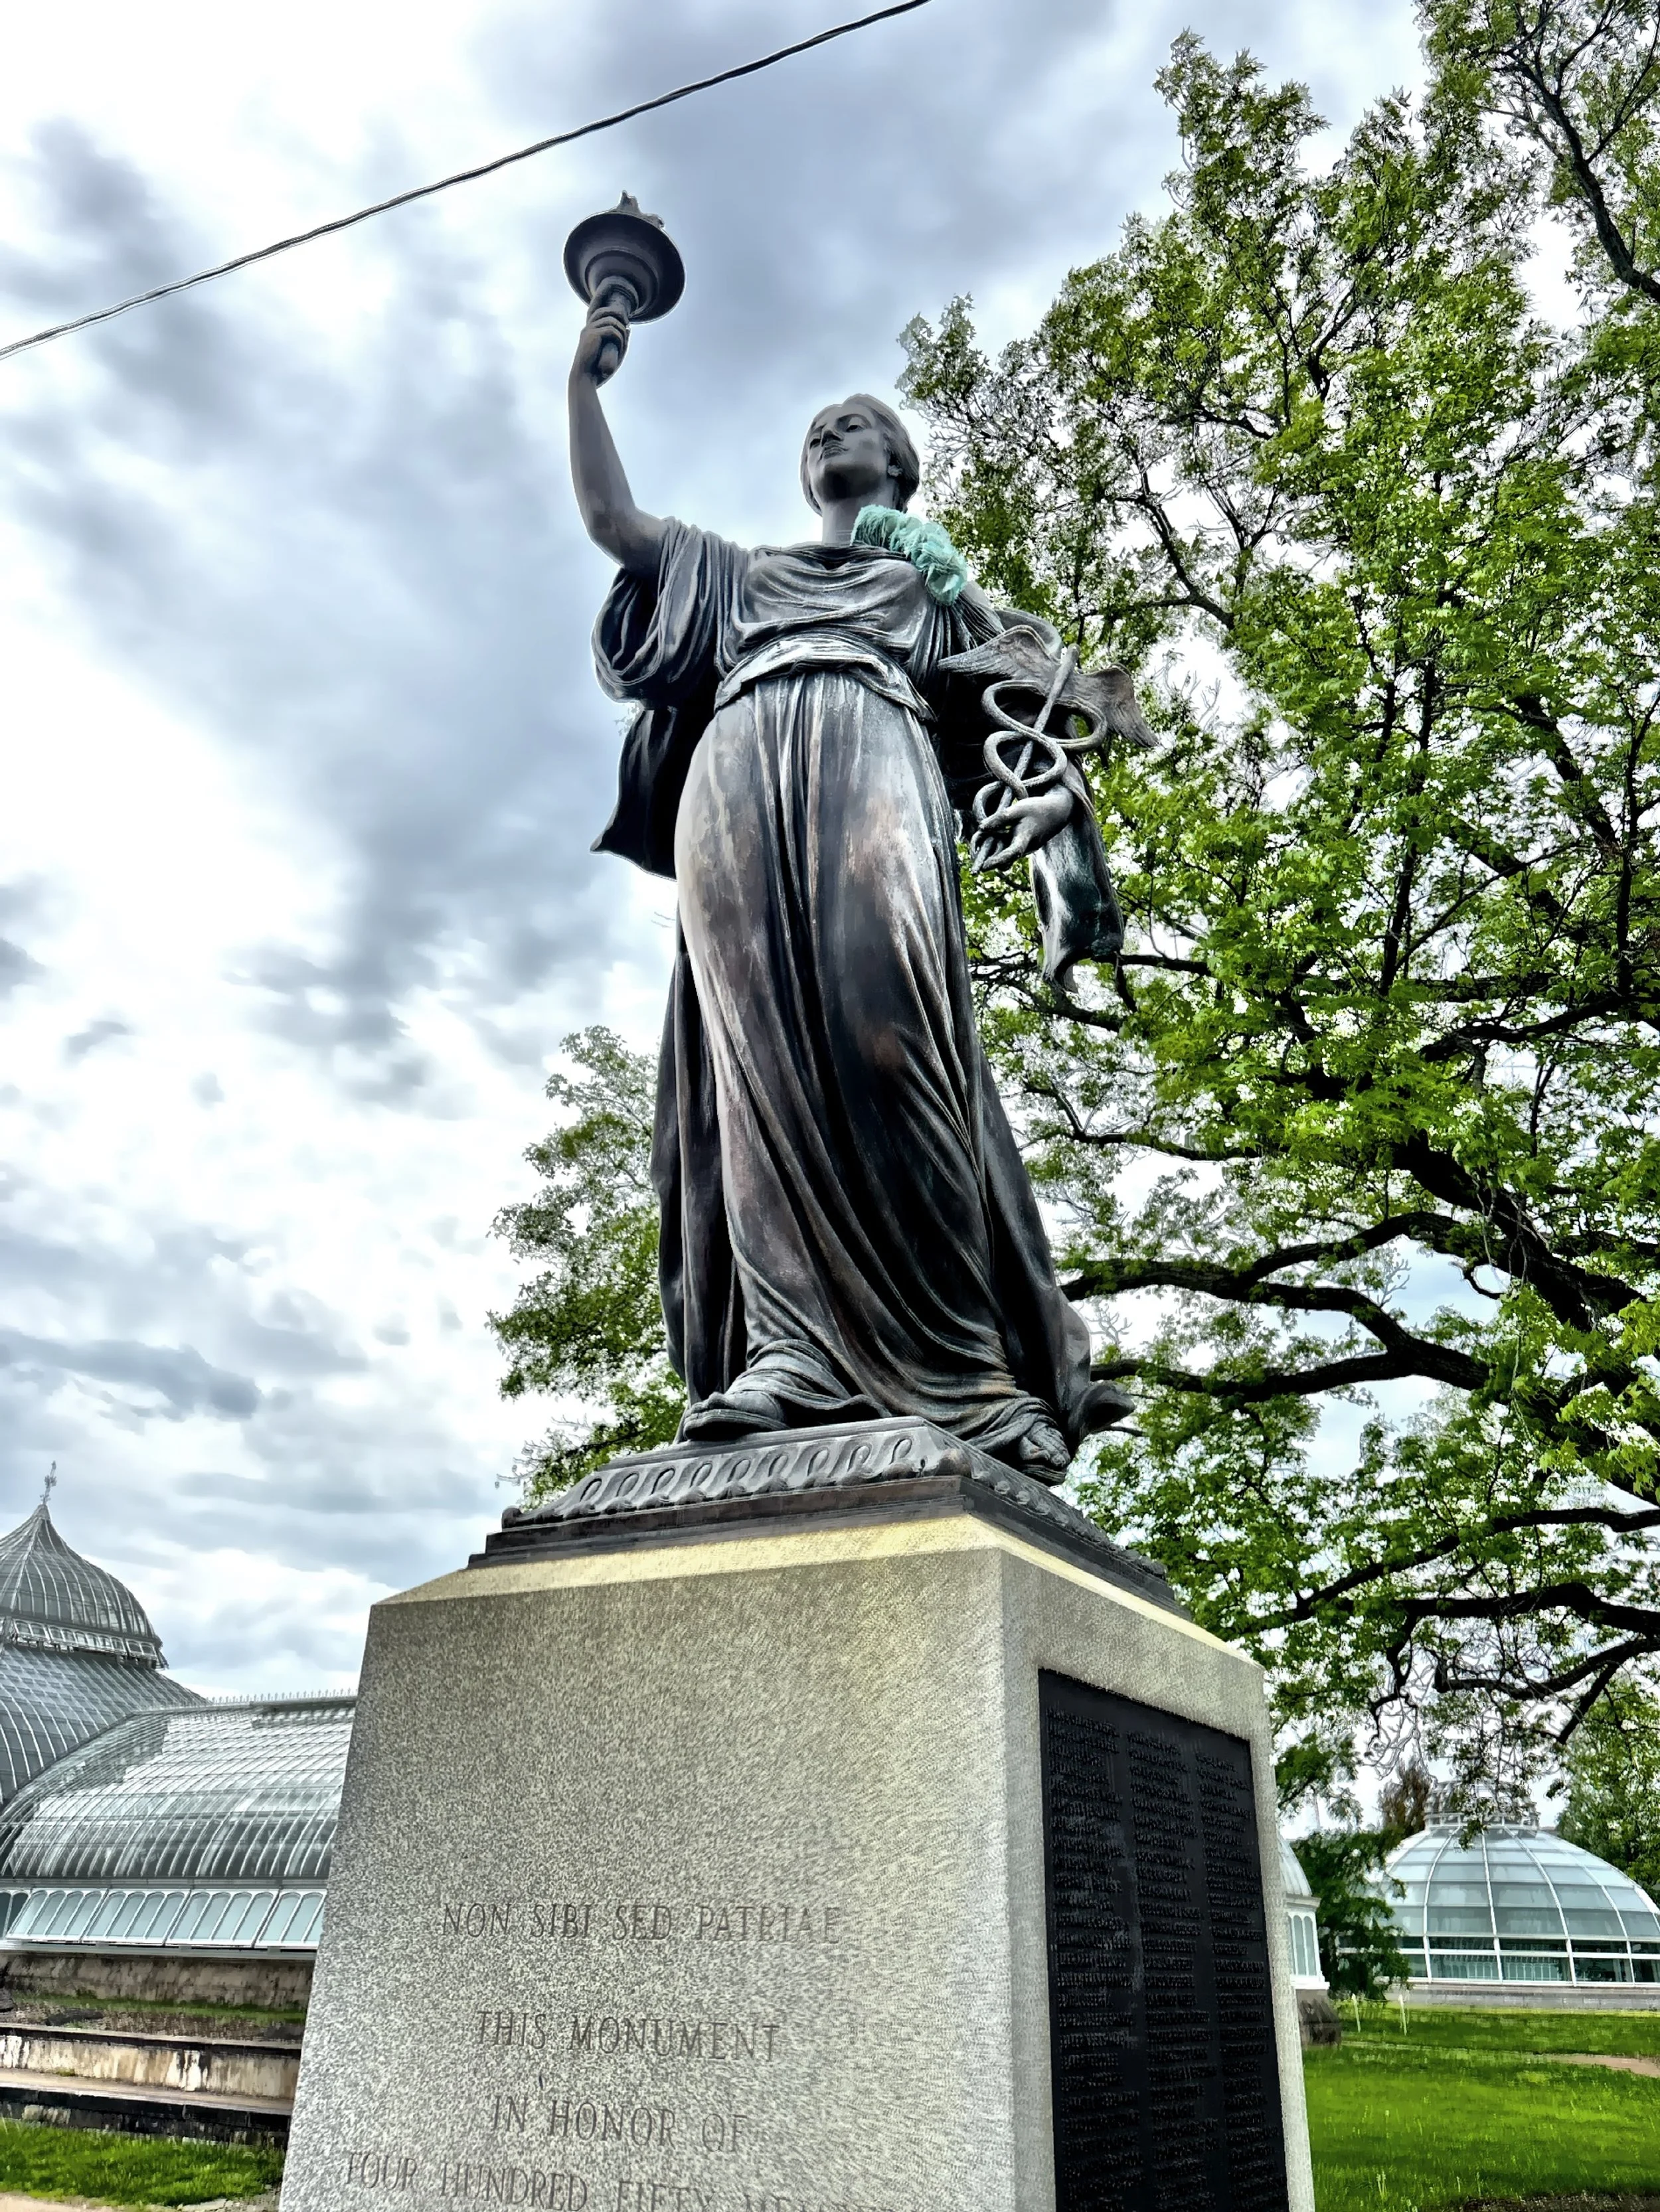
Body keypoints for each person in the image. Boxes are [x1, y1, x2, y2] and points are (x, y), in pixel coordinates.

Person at [567, 290, 1129, 1479]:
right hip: (738, 769)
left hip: (875, 743)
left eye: (856, 422)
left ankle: (971, 1374)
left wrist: (971, 620)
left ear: (900, 465)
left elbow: (1049, 711)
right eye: (817, 426)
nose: (829, 431)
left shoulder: (931, 590)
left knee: (893, 1039)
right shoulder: (741, 573)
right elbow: (614, 521)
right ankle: (791, 1356)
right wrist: (585, 379)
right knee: (755, 1063)